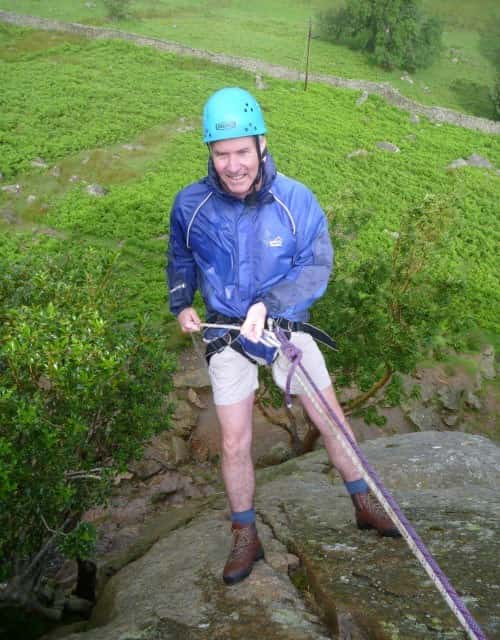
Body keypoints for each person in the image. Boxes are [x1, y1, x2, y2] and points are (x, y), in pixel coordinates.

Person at [167, 87, 400, 586]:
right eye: (221, 153)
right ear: (209, 152)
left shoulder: (295, 201)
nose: (232, 165)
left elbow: (317, 266)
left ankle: (363, 502)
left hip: (285, 326)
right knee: (234, 441)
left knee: (331, 419)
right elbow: (180, 258)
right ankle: (245, 534)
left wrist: (268, 306)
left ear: (262, 144)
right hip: (227, 332)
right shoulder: (192, 205)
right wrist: (182, 303)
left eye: (241, 152)